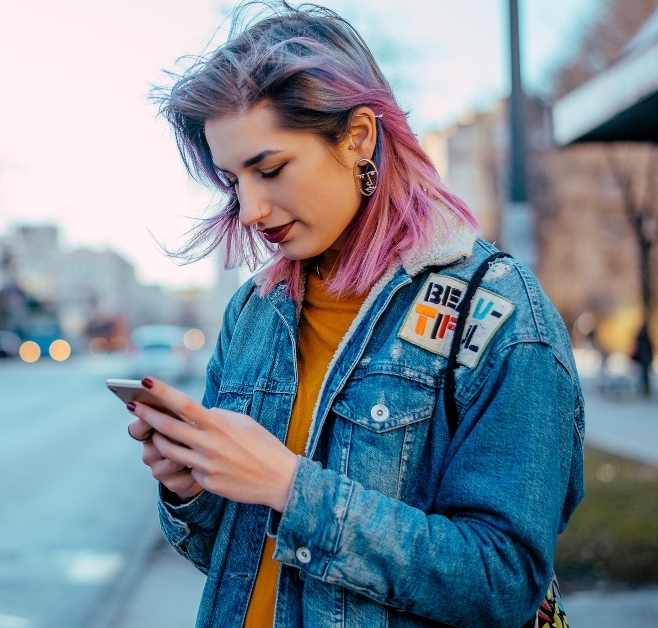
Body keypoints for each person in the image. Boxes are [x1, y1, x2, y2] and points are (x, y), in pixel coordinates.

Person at [125, 3, 584, 627]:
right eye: (233, 181)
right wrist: (191, 489)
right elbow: (229, 558)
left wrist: (292, 488)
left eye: (270, 169)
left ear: (359, 137)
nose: (251, 209)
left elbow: (503, 581)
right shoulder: (254, 312)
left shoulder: (498, 314)